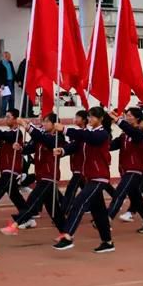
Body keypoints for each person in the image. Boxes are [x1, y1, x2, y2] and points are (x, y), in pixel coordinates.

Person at [50, 106, 114, 253]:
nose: (90, 119)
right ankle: (108, 242)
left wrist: (65, 130)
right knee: (99, 212)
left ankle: (68, 236)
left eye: (93, 117)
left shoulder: (102, 134)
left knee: (79, 202)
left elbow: (89, 139)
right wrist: (63, 150)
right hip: (89, 176)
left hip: (99, 177)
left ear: (101, 119)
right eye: (89, 117)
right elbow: (76, 145)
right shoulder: (87, 133)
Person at [0, 113, 65, 236]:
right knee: (53, 210)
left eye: (47, 122)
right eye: (43, 121)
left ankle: (15, 225)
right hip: (41, 176)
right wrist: (20, 148)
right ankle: (66, 233)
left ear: (54, 124)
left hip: (49, 176)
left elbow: (43, 139)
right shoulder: (41, 137)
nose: (44, 124)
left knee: (32, 200)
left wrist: (27, 126)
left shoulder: (57, 139)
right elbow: (29, 148)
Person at [104, 108, 143, 233]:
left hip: (135, 169)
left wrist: (118, 121)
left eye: (129, 115)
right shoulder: (123, 136)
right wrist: (107, 127)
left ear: (137, 118)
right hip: (125, 169)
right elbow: (110, 146)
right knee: (136, 197)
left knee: (120, 192)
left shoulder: (139, 134)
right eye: (126, 115)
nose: (127, 117)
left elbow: (132, 132)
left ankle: (108, 217)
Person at [0, 51, 16, 116]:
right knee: (5, 99)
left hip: (11, 82)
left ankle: (12, 114)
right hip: (5, 84)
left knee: (12, 99)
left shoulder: (10, 63)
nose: (10, 58)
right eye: (9, 57)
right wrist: (1, 84)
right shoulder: (0, 64)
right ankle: (3, 115)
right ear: (5, 57)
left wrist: (16, 79)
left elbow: (12, 71)